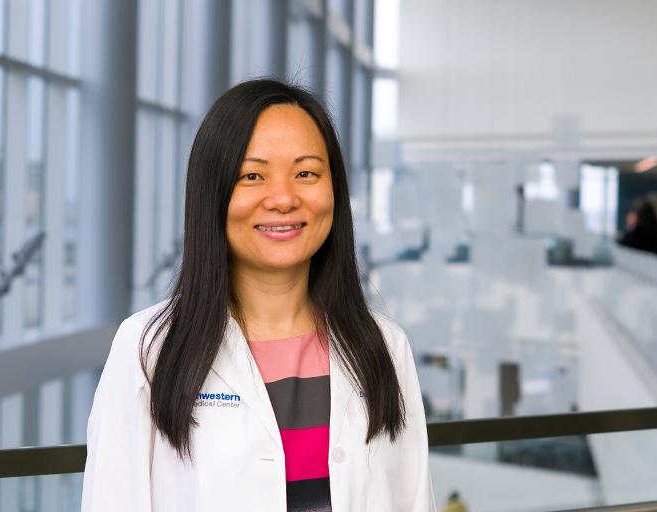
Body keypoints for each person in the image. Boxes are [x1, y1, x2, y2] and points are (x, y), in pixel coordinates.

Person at [82, 79, 436, 511]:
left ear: (334, 191)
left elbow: (414, 501)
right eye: (252, 175)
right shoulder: (149, 349)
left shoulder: (384, 346)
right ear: (212, 194)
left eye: (306, 173)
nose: (284, 198)